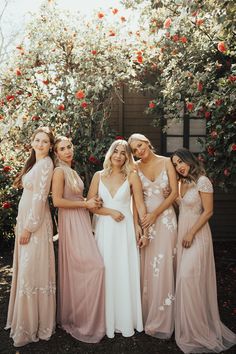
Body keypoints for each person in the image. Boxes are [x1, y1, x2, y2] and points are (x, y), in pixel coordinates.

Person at [171, 148, 236, 353]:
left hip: (197, 235)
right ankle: (189, 327)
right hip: (184, 232)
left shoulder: (203, 181)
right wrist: (173, 198)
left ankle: (199, 328)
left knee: (188, 276)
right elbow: (185, 207)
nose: (178, 167)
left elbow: (208, 211)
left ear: (189, 160)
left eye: (180, 162)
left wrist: (191, 233)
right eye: (175, 164)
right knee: (185, 280)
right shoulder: (184, 183)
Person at [87, 139, 148, 339]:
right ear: (110, 153)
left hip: (124, 231)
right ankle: (105, 319)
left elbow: (139, 204)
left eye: (123, 153)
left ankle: (125, 319)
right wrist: (110, 212)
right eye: (116, 151)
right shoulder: (98, 176)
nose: (119, 156)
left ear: (128, 157)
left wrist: (142, 228)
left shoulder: (132, 175)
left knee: (124, 271)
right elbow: (91, 205)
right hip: (105, 229)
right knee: (106, 271)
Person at [5, 126, 56, 347]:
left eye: (45, 141)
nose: (40, 144)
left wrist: (29, 227)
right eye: (37, 140)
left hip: (34, 223)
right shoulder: (36, 163)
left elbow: (40, 198)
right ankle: (24, 320)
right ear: (32, 142)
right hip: (26, 220)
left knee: (30, 270)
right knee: (27, 268)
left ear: (50, 146)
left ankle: (32, 325)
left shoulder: (46, 164)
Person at [52, 136, 105, 343]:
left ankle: (85, 315)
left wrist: (89, 202)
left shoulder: (72, 171)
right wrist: (85, 204)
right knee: (93, 267)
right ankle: (77, 317)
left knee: (87, 268)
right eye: (62, 149)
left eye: (69, 147)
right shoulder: (58, 172)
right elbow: (57, 201)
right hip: (70, 222)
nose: (67, 151)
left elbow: (75, 197)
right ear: (56, 153)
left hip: (81, 220)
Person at [128, 133, 177, 339]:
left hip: (165, 219)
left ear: (148, 142)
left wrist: (156, 214)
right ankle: (148, 314)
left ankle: (167, 316)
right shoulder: (135, 168)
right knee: (148, 266)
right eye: (135, 149)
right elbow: (135, 198)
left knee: (165, 264)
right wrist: (141, 223)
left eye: (141, 145)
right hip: (146, 220)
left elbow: (174, 192)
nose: (139, 150)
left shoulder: (167, 162)